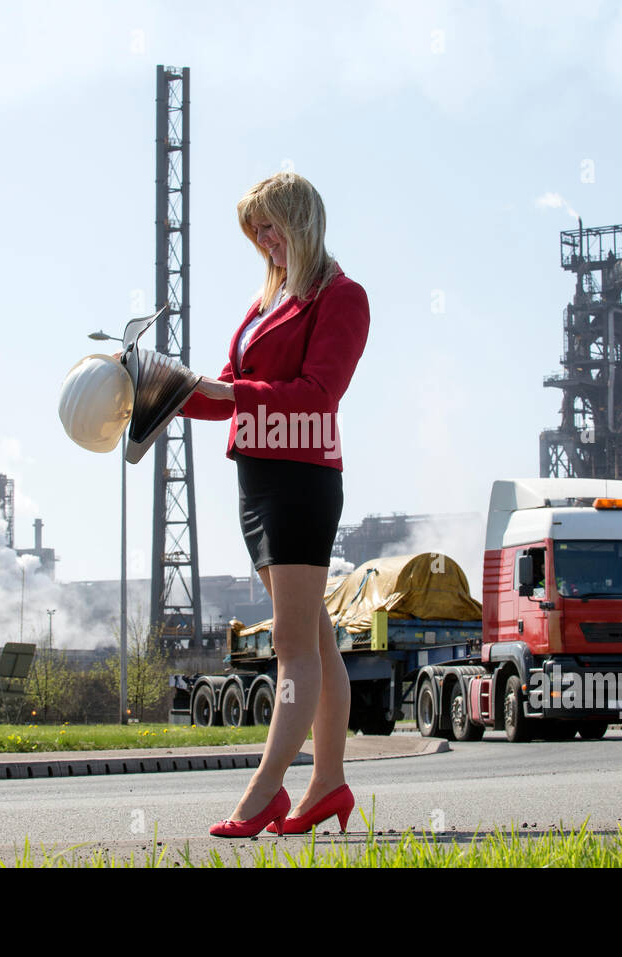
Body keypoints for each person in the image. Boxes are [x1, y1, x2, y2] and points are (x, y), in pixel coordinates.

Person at [178, 171, 370, 837]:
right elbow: (226, 388)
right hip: (257, 480)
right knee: (316, 639)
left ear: (301, 221)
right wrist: (156, 390)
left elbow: (319, 392)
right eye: (254, 230)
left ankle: (265, 792)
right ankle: (329, 784)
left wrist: (230, 395)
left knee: (293, 645)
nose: (262, 239)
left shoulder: (341, 296)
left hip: (299, 478)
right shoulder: (268, 303)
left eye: (271, 224)